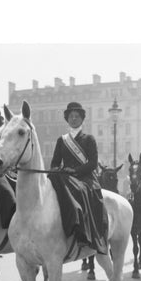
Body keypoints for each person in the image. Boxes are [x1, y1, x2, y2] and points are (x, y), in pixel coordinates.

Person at [48, 102, 108, 255]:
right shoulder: (62, 140)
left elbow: (93, 164)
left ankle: (83, 232)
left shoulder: (89, 139)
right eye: (71, 116)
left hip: (85, 177)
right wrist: (59, 170)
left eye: (77, 116)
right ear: (67, 119)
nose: (73, 119)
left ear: (82, 119)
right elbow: (55, 163)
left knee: (80, 191)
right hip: (65, 177)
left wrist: (74, 171)